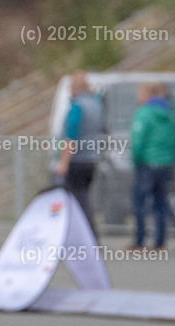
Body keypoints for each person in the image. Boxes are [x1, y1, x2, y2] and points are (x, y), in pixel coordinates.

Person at [129, 82, 175, 250]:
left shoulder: (143, 113)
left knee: (140, 202)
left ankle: (139, 240)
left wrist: (136, 160)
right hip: (166, 162)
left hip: (147, 163)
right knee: (160, 201)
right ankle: (159, 241)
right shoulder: (170, 114)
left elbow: (138, 141)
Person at [55, 70, 104, 237]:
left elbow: (70, 137)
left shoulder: (77, 107)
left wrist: (63, 162)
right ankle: (86, 233)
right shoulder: (96, 105)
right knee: (84, 197)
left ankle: (85, 235)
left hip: (77, 160)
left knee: (76, 200)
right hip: (91, 159)